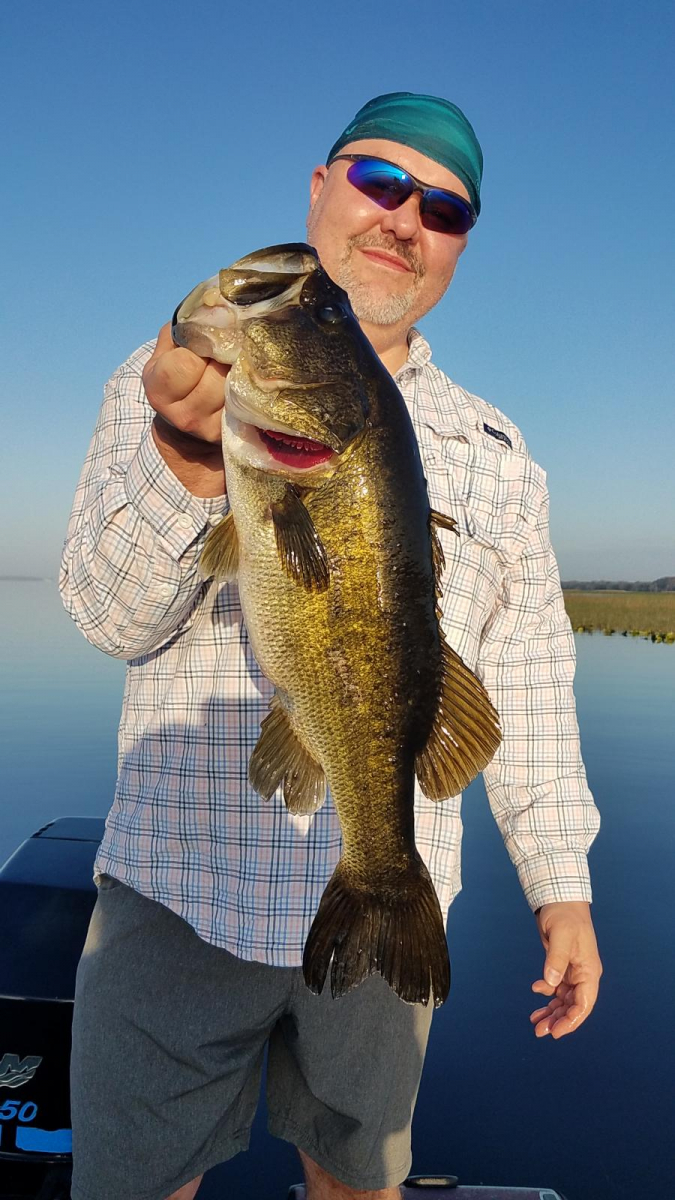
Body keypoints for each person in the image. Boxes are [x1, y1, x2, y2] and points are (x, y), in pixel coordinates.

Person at [60, 92, 602, 1200]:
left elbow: (531, 679)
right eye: (380, 182)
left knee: (359, 1183)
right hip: (179, 888)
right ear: (320, 189)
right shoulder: (169, 380)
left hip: (391, 894)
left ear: (459, 245)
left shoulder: (499, 453)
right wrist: (190, 457)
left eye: (443, 209)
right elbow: (109, 620)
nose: (405, 219)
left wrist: (562, 886)